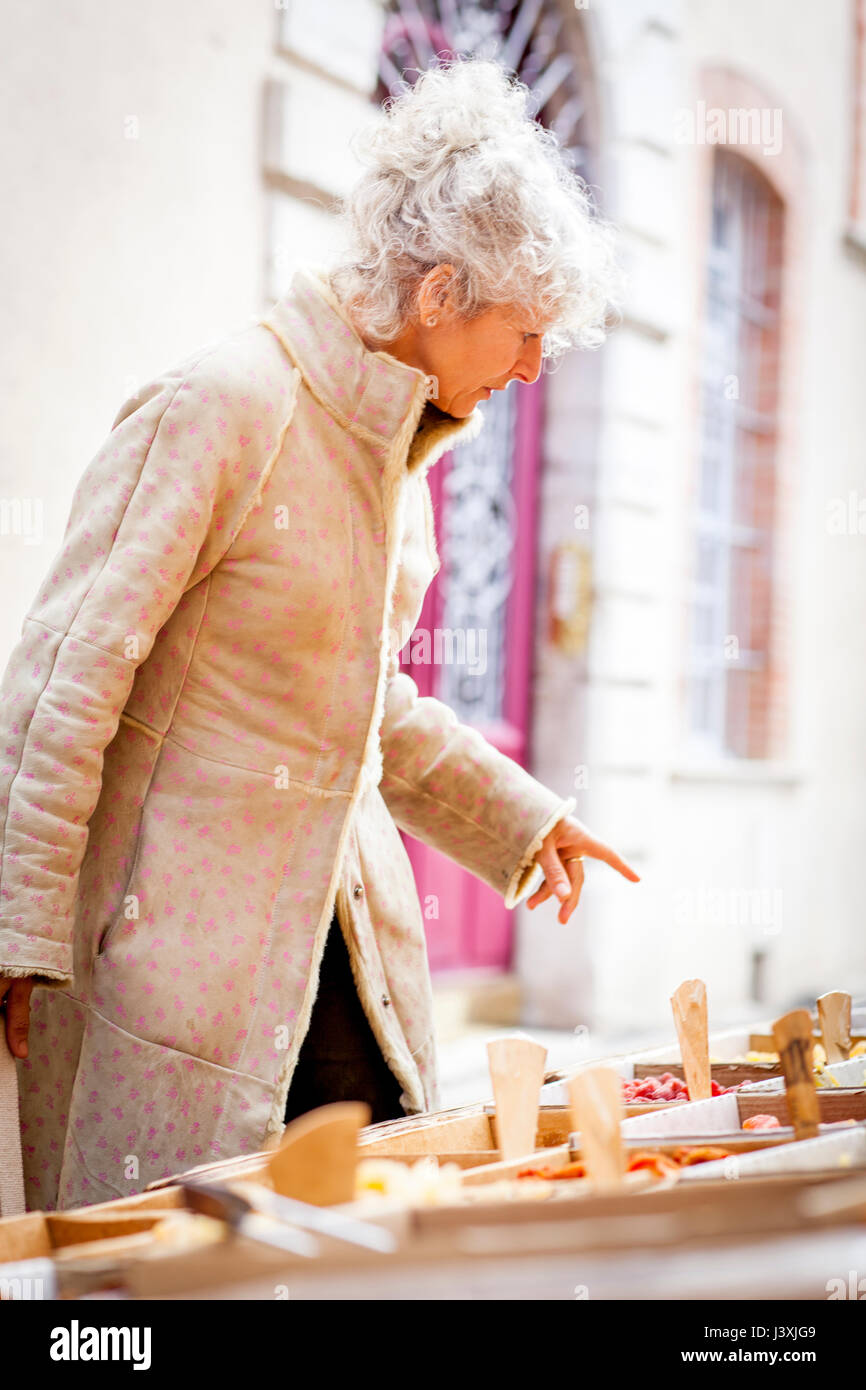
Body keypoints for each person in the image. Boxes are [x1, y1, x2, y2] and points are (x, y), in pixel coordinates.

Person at [0, 57, 636, 1212]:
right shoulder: (225, 402)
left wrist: (518, 814)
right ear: (439, 292)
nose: (533, 366)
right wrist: (21, 924)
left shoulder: (404, 459)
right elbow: (64, 678)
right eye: (523, 330)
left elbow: (363, 703)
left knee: (359, 1260)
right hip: (181, 994)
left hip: (351, 980)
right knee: (163, 1285)